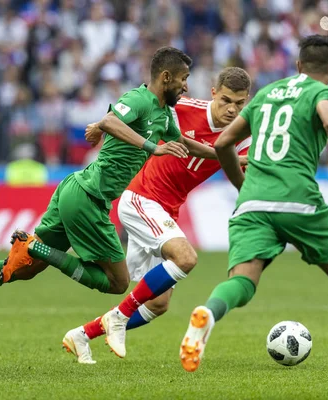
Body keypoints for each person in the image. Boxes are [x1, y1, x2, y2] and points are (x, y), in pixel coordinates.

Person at [0, 46, 216, 338]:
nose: (186, 86)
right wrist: (151, 147)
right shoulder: (139, 99)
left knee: (19, 270)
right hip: (89, 199)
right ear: (165, 77)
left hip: (74, 191)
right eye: (183, 79)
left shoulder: (163, 115)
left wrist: (231, 155)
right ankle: (40, 250)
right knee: (118, 283)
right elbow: (110, 120)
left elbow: (188, 144)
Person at [179, 35, 328, 393]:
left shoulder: (266, 93)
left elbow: (221, 144)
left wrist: (241, 187)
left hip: (253, 201)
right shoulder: (323, 93)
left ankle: (209, 313)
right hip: (297, 197)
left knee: (244, 281)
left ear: (297, 66)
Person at [62, 67, 252, 363]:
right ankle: (117, 317)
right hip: (142, 197)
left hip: (167, 210)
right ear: (213, 93)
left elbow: (243, 172)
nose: (232, 109)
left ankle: (82, 334)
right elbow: (139, 106)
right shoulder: (184, 108)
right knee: (186, 258)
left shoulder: (243, 137)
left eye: (239, 104)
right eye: (226, 100)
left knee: (159, 303)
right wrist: (101, 125)